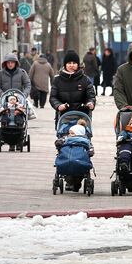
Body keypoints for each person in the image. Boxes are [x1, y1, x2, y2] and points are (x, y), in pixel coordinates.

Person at [49, 50, 96, 191]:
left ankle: (79, 176)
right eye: (69, 63)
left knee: (81, 146)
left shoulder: (85, 79)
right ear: (65, 64)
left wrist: (91, 103)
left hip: (81, 118)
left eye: (74, 63)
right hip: (64, 118)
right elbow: (53, 97)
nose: (71, 65)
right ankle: (68, 176)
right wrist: (58, 105)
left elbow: (90, 95)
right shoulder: (58, 79)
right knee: (65, 145)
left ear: (78, 64)